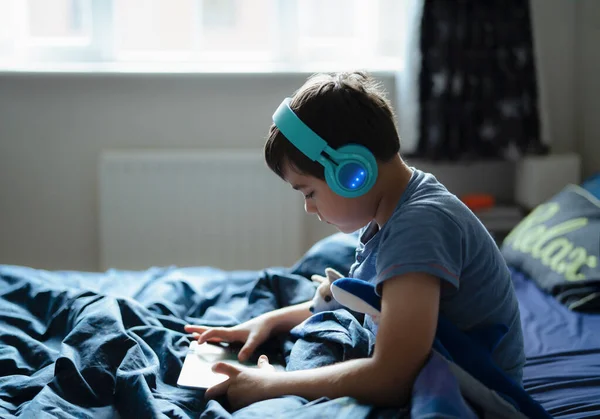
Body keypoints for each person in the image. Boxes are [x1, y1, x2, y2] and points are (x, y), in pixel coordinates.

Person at [184, 71, 525, 411]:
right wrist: (269, 322)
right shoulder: (393, 212)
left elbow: (392, 377)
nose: (309, 207)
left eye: (309, 191)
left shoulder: (419, 226)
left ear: (350, 173)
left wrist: (271, 385)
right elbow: (363, 299)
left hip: (472, 392)